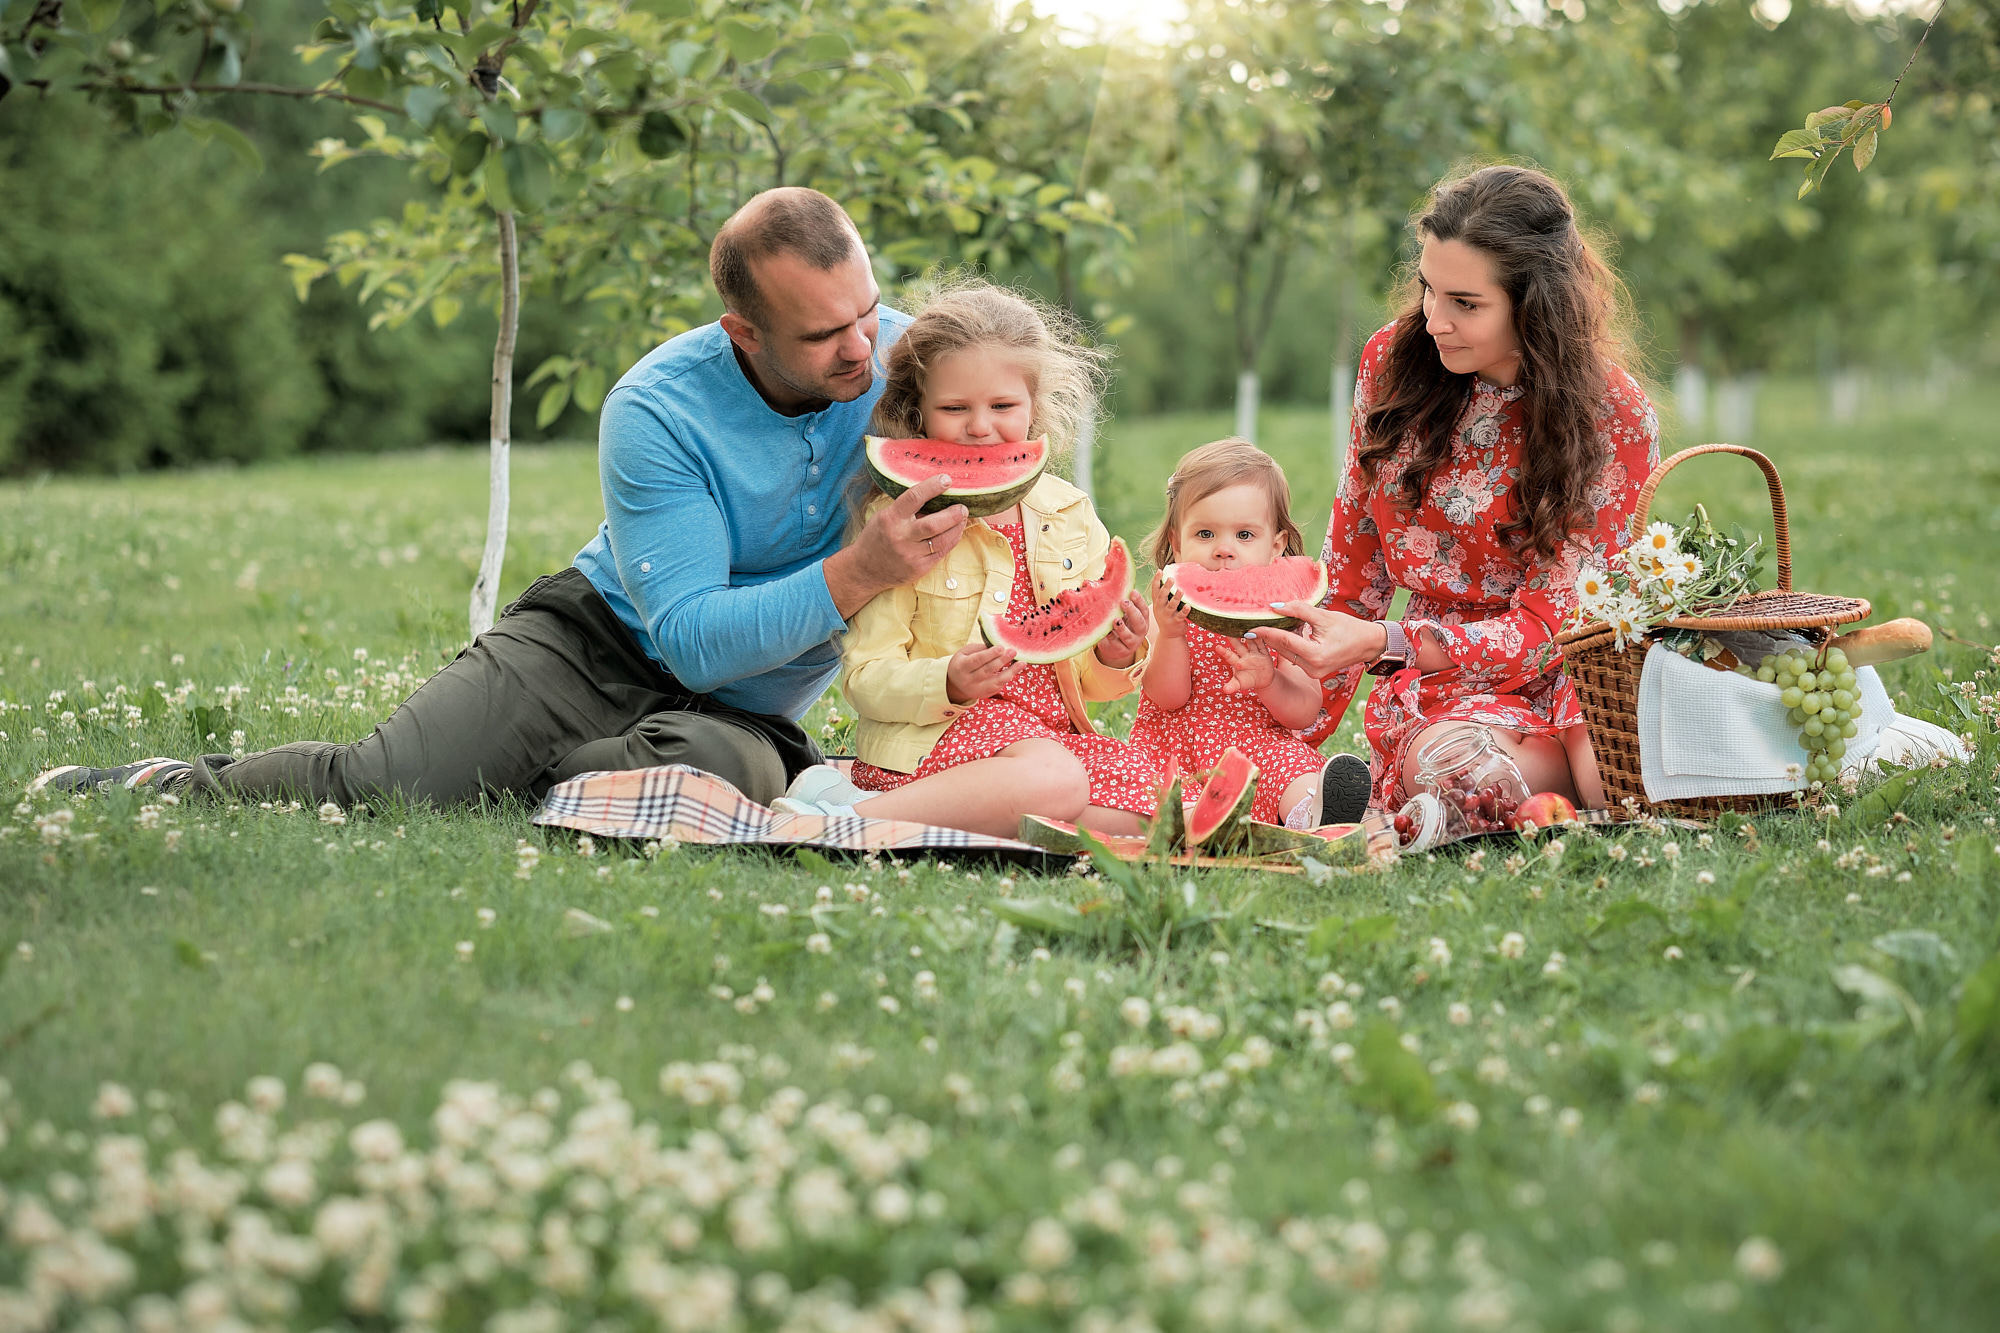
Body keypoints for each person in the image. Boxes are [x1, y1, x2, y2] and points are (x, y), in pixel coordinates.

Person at [32, 188, 969, 808]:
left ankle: (526, 775)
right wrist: (858, 572)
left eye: (866, 309)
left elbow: (1012, 485)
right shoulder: (657, 407)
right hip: (593, 643)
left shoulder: (912, 363)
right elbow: (689, 637)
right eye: (822, 334)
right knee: (390, 786)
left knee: (729, 772)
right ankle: (170, 784)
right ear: (745, 330)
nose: (864, 348)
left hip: (741, 714)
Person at [1251, 164, 1659, 815]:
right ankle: (1548, 789)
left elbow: (1547, 628)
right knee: (1444, 765)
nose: (1435, 320)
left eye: (1465, 304)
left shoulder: (1617, 415)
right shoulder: (1391, 365)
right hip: (1444, 683)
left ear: (1536, 304)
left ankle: (1578, 782)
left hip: (1578, 662)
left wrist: (1383, 643)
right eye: (1428, 290)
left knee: (1622, 784)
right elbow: (1354, 566)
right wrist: (1285, 720)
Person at [777, 280, 1155, 839]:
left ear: (1035, 407)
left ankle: (930, 813)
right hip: (931, 742)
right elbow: (864, 678)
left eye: (1003, 406)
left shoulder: (1069, 513)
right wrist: (946, 681)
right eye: (955, 408)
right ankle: (841, 820)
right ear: (918, 414)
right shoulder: (901, 527)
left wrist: (1115, 655)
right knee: (1060, 786)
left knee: (1149, 814)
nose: (981, 427)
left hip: (1048, 743)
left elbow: (1086, 681)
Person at [1130, 438, 1372, 829]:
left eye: (1244, 536)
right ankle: (1199, 823)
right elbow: (1167, 697)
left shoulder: (1286, 616)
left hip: (1260, 748)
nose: (1224, 550)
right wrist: (1172, 637)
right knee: (1149, 789)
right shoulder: (1169, 610)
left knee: (1292, 768)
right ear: (1176, 542)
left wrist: (1270, 681)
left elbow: (1304, 711)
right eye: (1205, 534)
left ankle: (1312, 815)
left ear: (1276, 546)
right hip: (1177, 752)